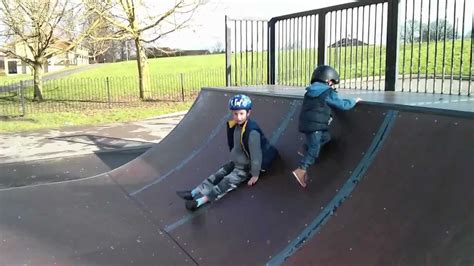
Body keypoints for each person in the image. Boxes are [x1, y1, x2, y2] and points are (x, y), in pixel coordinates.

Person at [176, 94, 278, 211]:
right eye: (235, 114)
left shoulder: (252, 132)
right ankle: (194, 193)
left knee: (226, 182)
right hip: (236, 162)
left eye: (241, 113)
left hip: (245, 167)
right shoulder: (235, 126)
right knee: (218, 175)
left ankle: (200, 201)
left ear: (248, 113)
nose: (238, 117)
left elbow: (256, 154)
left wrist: (255, 174)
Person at [292, 65, 362, 188]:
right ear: (328, 81)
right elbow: (342, 105)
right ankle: (301, 170)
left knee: (326, 138)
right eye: (332, 83)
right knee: (314, 151)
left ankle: (304, 148)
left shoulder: (309, 92)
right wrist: (354, 101)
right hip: (316, 128)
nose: (332, 86)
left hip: (306, 124)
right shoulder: (327, 92)